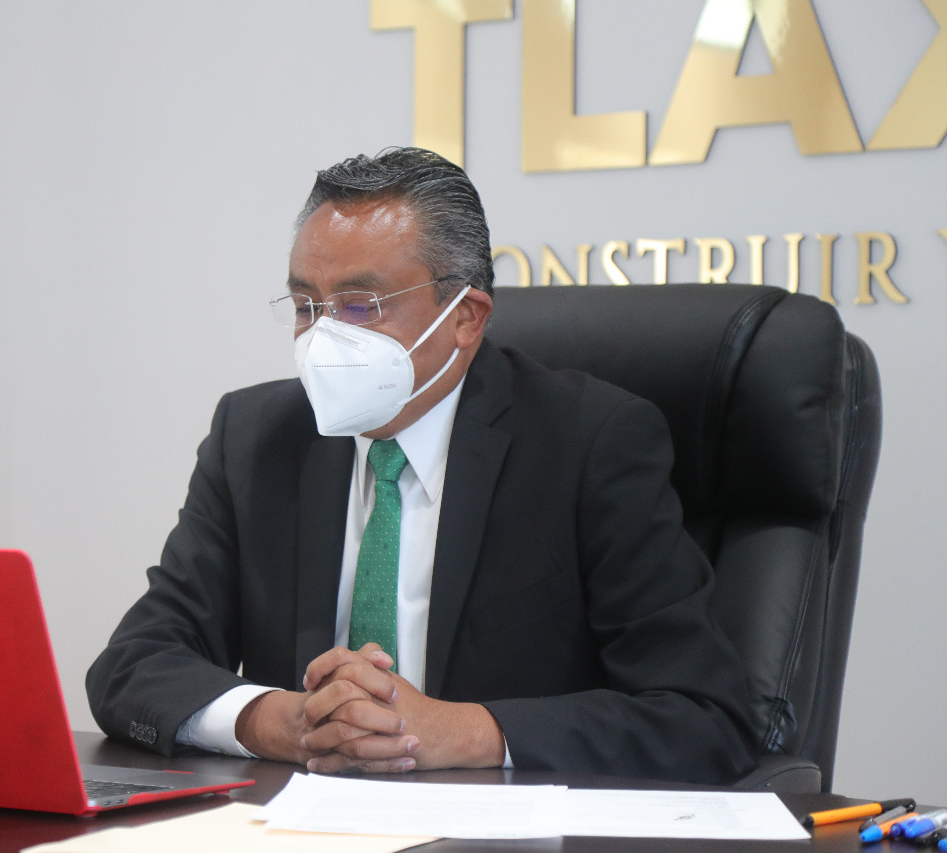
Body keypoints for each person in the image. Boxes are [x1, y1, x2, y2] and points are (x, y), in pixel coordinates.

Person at [87, 147, 757, 782]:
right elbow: (132, 665)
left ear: (465, 318)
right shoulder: (257, 437)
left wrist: (464, 731)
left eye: (359, 306)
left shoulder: (589, 443)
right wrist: (280, 721)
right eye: (306, 306)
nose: (324, 337)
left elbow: (703, 717)